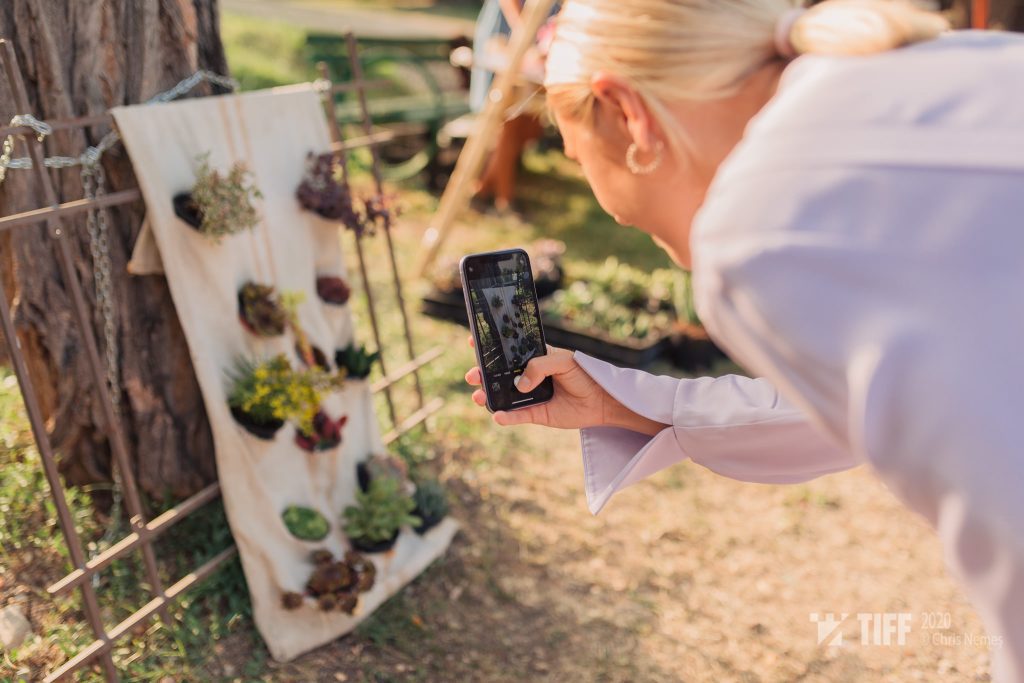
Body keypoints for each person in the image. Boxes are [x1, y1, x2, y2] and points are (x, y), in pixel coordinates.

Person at [463, 0, 1024, 679]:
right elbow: (867, 401)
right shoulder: (940, 72)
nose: (604, 200)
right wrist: (623, 402)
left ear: (625, 113)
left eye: (577, 155)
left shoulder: (758, 226)